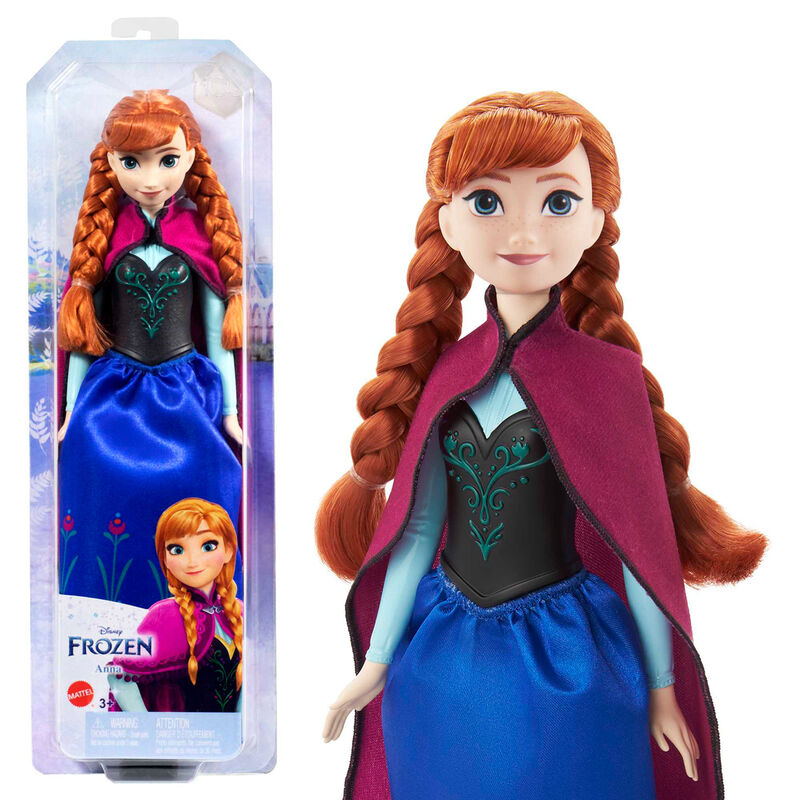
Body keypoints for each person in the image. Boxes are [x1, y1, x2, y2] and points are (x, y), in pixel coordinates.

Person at [317, 92, 766, 800]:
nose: (523, 230)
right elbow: (420, 528)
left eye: (558, 202)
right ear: (447, 222)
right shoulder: (445, 373)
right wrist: (375, 664)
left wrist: (661, 686)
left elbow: (637, 547)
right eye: (487, 202)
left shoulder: (608, 377)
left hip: (569, 659)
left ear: (595, 222)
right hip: (440, 660)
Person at [57, 91, 243, 608]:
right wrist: (71, 411)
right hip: (113, 394)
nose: (151, 179)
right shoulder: (104, 236)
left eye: (167, 160)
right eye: (132, 162)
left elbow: (219, 335)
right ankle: (101, 617)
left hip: (187, 390)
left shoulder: (201, 236)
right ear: (111, 161)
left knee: (204, 485)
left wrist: (230, 413)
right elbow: (83, 336)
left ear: (191, 158)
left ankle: (204, 615)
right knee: (101, 484)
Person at [108, 498, 243, 713]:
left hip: (232, 732)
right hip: (177, 731)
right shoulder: (165, 615)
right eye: (177, 549)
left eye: (208, 546)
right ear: (165, 558)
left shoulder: (238, 611)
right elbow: (119, 675)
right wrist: (146, 727)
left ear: (228, 550)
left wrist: (243, 724)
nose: (192, 561)